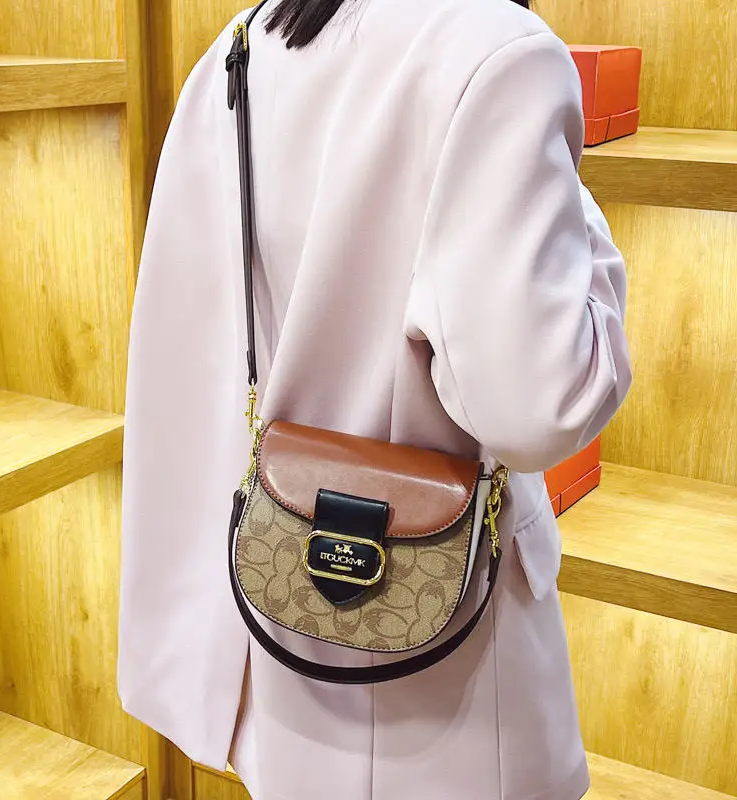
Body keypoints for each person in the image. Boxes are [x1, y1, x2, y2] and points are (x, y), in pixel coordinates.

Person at [118, 0, 631, 798]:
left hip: (275, 620)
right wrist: (573, 215)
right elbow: (544, 406)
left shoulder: (244, 45)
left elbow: (195, 339)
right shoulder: (498, 52)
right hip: (444, 687)